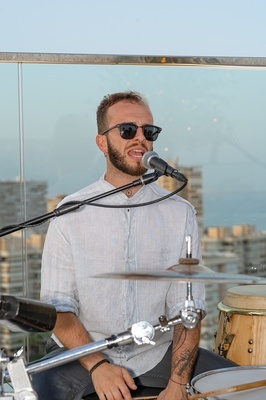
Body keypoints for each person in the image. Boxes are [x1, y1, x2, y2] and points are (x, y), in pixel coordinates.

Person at [32, 90, 207, 400]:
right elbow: (59, 309)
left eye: (148, 131)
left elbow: (188, 309)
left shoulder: (180, 213)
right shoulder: (70, 214)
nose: (140, 138)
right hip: (83, 356)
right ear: (102, 142)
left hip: (159, 356)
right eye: (128, 130)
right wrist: (99, 366)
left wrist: (179, 384)